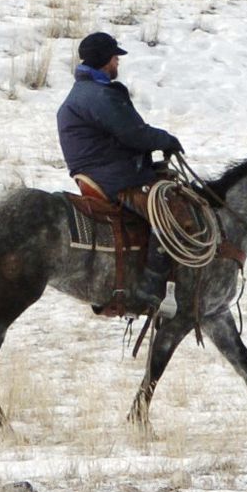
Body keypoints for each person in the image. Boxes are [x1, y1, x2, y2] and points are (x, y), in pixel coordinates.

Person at [57, 32, 182, 318]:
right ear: (104, 61)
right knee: (169, 213)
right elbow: (133, 134)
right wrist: (166, 140)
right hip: (115, 177)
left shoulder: (88, 92)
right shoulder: (99, 96)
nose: (118, 62)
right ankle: (151, 289)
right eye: (115, 58)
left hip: (103, 169)